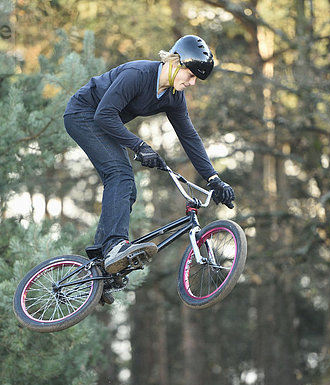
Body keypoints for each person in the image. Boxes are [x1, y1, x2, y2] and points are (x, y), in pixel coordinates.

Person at [63, 35, 235, 274]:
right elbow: (103, 115)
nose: (192, 83)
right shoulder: (138, 74)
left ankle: (100, 266)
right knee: (120, 174)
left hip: (103, 121)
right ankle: (113, 247)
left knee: (127, 187)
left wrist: (214, 179)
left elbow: (189, 137)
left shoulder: (174, 97)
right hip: (83, 115)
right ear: (176, 63)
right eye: (191, 75)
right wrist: (139, 145)